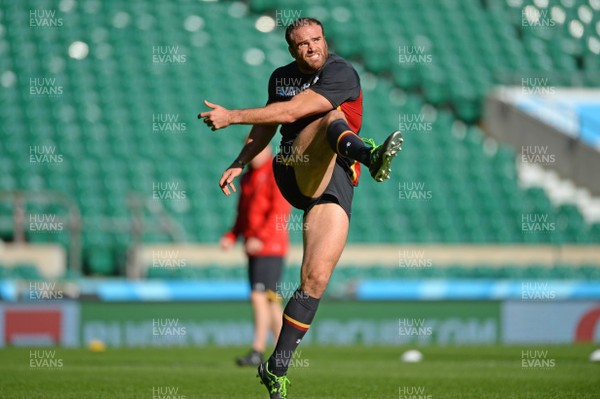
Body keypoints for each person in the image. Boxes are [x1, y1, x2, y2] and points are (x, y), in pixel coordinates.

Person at [199, 17, 402, 399]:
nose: (313, 48)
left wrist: (232, 116)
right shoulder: (281, 78)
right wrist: (240, 160)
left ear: (325, 39)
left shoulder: (341, 71)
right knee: (330, 115)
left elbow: (287, 113)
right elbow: (276, 122)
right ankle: (370, 155)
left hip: (336, 177)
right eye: (303, 44)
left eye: (317, 40)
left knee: (316, 279)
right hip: (293, 167)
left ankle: (276, 367)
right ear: (292, 51)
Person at [220, 145, 290, 367]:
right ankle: (284, 351)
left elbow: (280, 209)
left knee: (261, 296)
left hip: (271, 245)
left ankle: (258, 350)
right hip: (255, 246)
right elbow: (243, 211)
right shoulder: (248, 177)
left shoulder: (275, 171)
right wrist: (233, 235)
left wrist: (260, 237)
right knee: (269, 299)